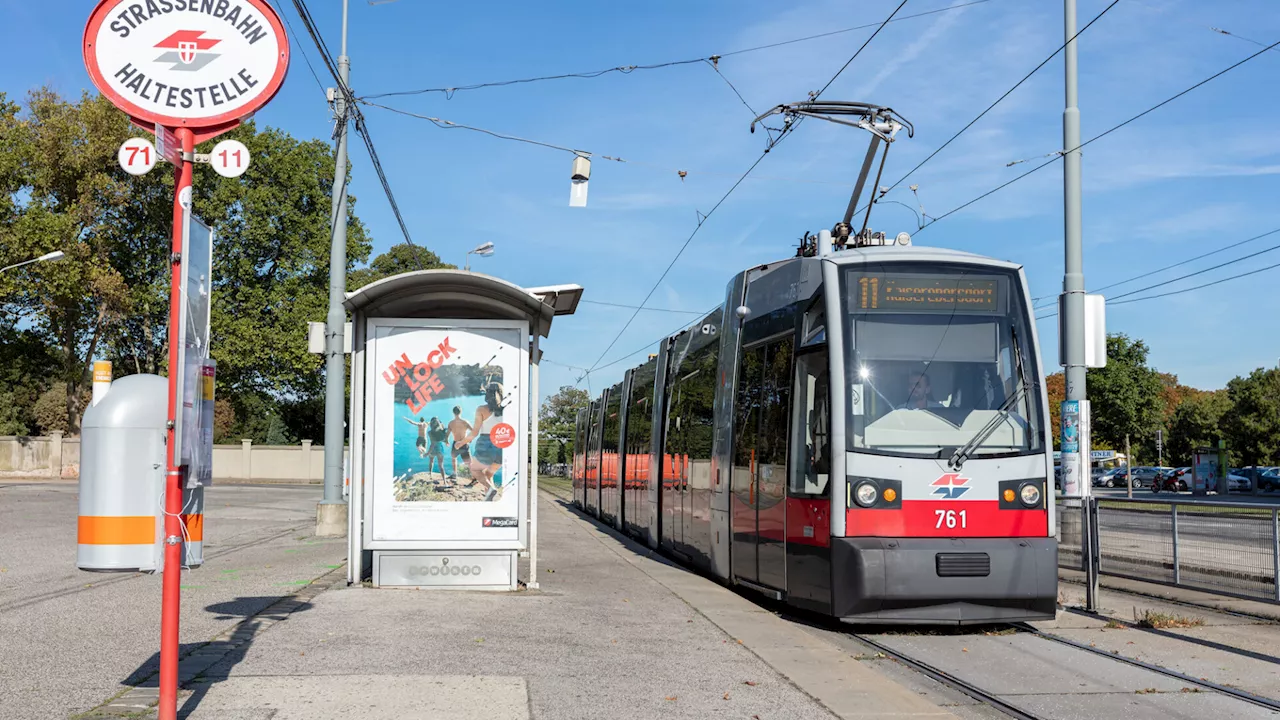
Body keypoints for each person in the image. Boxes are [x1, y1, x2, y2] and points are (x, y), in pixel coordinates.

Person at [456, 382, 505, 498]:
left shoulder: (481, 409)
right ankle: (490, 500)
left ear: (487, 394)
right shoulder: (506, 410)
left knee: (475, 470)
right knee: (488, 474)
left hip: (486, 445)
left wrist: (460, 443)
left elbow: (474, 432)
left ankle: (490, 488)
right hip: (502, 445)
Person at [446, 405, 472, 480]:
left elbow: (447, 435)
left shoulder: (451, 423)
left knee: (454, 458)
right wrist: (469, 438)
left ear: (453, 413)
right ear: (461, 412)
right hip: (464, 443)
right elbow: (473, 431)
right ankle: (474, 477)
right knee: (469, 462)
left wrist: (447, 441)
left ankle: (455, 474)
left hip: (455, 443)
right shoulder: (465, 422)